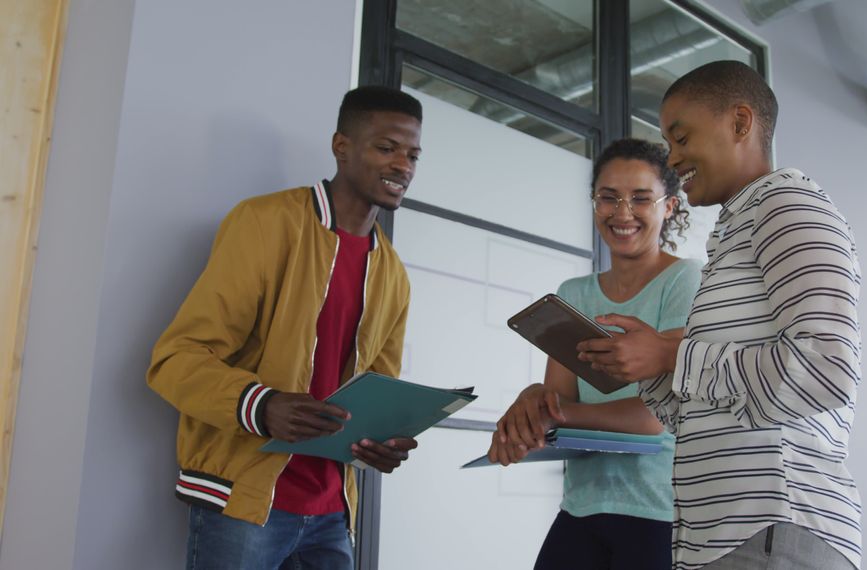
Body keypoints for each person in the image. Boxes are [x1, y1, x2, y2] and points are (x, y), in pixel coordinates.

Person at [575, 61, 863, 569]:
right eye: (668, 142)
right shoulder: (732, 236)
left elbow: (827, 369)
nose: (673, 158)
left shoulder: (787, 205)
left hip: (775, 527)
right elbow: (704, 414)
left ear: (740, 123)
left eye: (681, 137)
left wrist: (670, 352)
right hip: (722, 538)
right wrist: (653, 369)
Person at [147, 86, 423, 569]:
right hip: (246, 503)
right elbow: (176, 359)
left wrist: (381, 439)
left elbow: (378, 391)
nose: (403, 164)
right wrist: (263, 406)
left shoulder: (393, 274)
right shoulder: (264, 223)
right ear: (341, 146)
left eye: (413, 154)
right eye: (386, 147)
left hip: (334, 512)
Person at [488, 138, 703, 570]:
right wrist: (536, 407)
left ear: (670, 207)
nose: (622, 212)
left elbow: (655, 417)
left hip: (659, 512)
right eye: (608, 197)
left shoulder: (685, 280)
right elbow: (561, 401)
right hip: (583, 505)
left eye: (641, 198)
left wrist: (551, 413)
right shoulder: (574, 295)